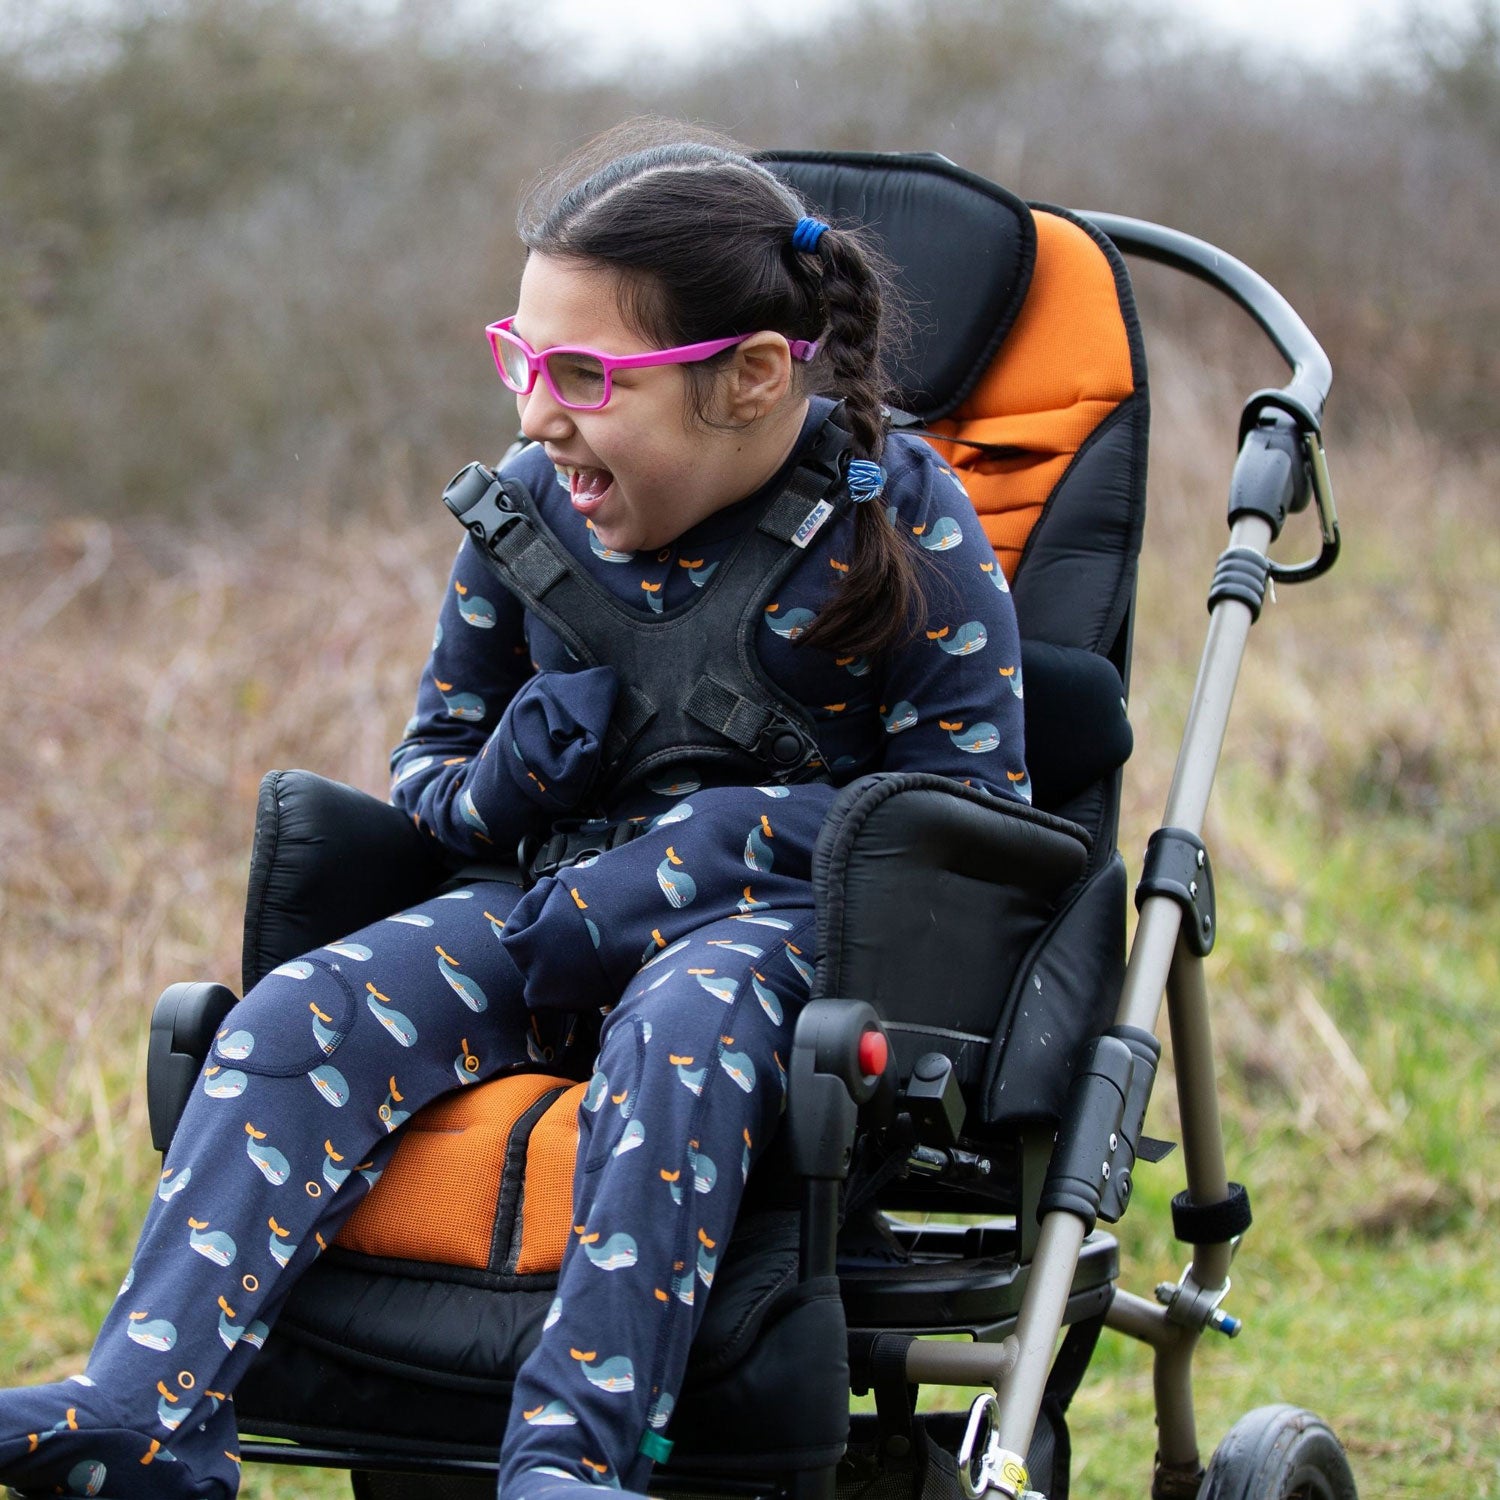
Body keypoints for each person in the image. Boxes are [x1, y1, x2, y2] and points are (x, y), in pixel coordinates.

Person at [0, 123, 1027, 1500]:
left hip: (777, 958)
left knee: (680, 1024)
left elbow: (973, 817)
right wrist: (506, 783)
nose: (538, 414)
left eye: (587, 376)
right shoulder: (532, 514)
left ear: (755, 377)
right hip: (542, 917)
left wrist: (713, 849)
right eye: (521, 359)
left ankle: (570, 1460)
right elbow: (429, 768)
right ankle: (142, 1414)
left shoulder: (893, 521)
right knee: (297, 1012)